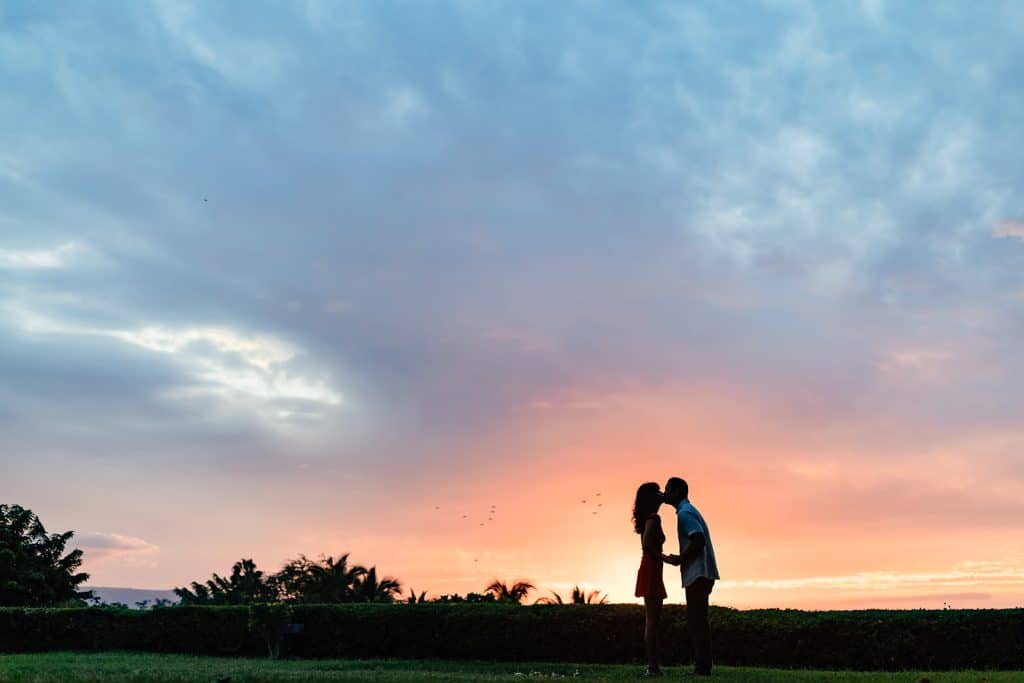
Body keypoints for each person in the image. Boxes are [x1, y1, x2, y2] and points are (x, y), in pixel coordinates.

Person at [662, 477, 719, 676]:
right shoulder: (688, 510)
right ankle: (703, 665)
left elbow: (698, 540)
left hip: (698, 573)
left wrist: (680, 558)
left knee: (697, 622)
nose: (665, 492)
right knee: (699, 621)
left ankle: (702, 668)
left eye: (668, 489)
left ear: (678, 491)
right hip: (702, 573)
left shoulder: (685, 514)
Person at [632, 482, 669, 677]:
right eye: (657, 492)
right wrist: (666, 558)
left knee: (651, 620)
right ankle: (653, 667)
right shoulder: (654, 518)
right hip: (652, 568)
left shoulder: (648, 518)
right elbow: (647, 545)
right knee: (653, 621)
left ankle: (653, 666)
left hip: (649, 567)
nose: (661, 494)